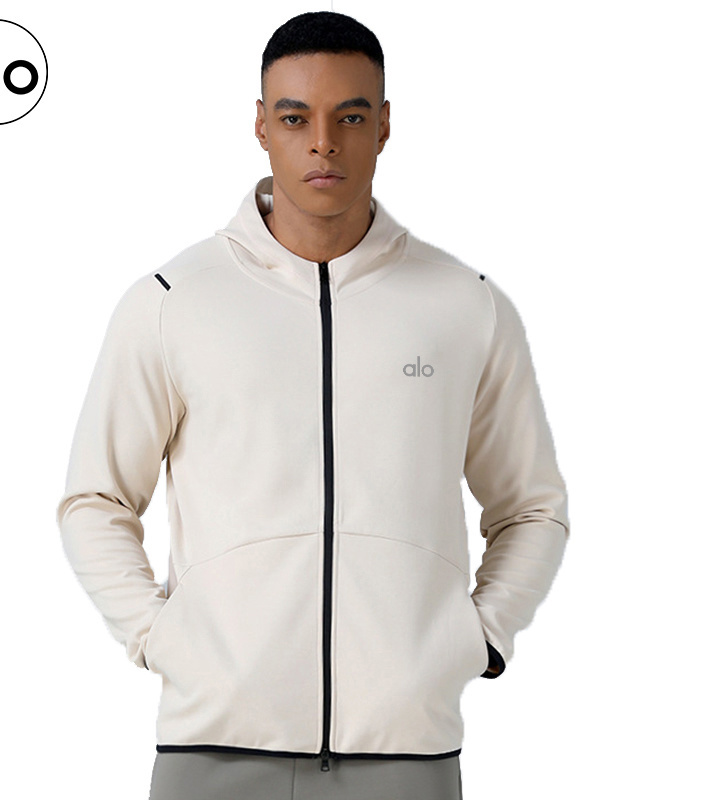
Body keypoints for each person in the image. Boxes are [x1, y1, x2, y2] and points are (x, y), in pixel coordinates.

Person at [56, 10, 569, 800]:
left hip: (406, 752)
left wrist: (479, 637)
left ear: (385, 125)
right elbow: (95, 500)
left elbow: (531, 508)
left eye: (350, 117)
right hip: (214, 746)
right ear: (262, 126)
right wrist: (161, 638)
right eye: (296, 118)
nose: (323, 143)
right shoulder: (173, 301)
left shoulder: (464, 307)